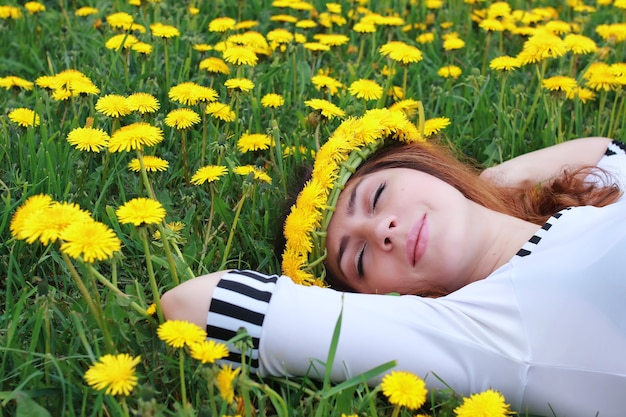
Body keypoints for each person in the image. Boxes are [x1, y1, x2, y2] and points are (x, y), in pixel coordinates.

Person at [161, 108, 626, 417]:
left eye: (376, 196)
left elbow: (602, 150)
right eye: (358, 258)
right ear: (379, 301)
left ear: (418, 163)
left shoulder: (590, 203)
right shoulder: (481, 330)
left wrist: (490, 184)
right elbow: (192, 303)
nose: (380, 230)